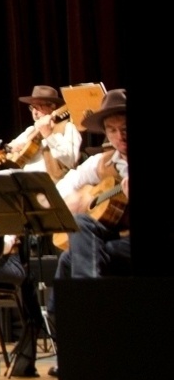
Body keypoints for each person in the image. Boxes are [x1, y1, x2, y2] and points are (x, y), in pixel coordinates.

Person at [55, 89, 128, 279]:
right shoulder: (102, 162)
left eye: (125, 128)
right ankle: (60, 310)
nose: (120, 136)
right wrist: (74, 200)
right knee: (79, 228)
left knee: (72, 256)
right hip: (115, 235)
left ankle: (85, 304)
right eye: (112, 130)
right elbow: (64, 186)